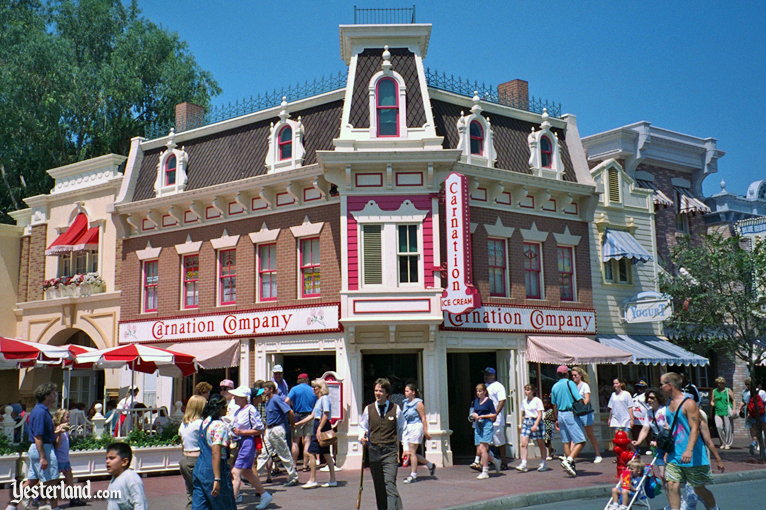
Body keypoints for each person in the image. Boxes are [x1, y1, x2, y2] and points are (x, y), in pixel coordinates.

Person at [660, 372, 720, 510]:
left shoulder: (689, 403)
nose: (661, 387)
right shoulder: (668, 404)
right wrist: (666, 450)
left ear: (670, 385)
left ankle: (714, 508)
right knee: (672, 485)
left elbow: (695, 429)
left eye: (662, 384)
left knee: (698, 489)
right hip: (674, 453)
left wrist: (689, 449)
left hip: (692, 454)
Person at [6, 383, 61, 510]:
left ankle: (12, 505)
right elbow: (38, 436)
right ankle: (54, 507)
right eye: (53, 393)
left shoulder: (40, 410)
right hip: (43, 448)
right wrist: (43, 456)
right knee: (51, 480)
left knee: (32, 481)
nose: (55, 395)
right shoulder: (41, 412)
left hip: (39, 448)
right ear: (47, 395)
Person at [359, 377, 404, 510]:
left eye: (381, 391)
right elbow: (363, 426)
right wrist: (362, 437)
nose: (377, 393)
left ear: (387, 393)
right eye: (376, 390)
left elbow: (402, 429)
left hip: (390, 452)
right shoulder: (369, 409)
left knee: (390, 484)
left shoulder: (396, 409)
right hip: (374, 451)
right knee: (379, 486)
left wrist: (405, 448)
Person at [230, 386, 272, 509]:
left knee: (235, 472)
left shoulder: (251, 409)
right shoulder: (238, 411)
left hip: (247, 443)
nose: (234, 397)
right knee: (247, 472)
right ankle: (265, 495)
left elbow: (259, 429)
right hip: (240, 442)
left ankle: (230, 503)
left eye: (237, 396)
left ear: (243, 398)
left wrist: (241, 432)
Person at [192, 394, 236, 510]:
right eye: (225, 406)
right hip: (213, 471)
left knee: (200, 506)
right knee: (224, 505)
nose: (227, 408)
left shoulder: (205, 422)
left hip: (200, 469)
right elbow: (216, 452)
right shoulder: (220, 426)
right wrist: (217, 478)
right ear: (220, 408)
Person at [256, 381, 299, 486]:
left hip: (277, 429)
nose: (263, 392)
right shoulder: (267, 401)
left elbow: (290, 412)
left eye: (265, 389)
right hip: (269, 430)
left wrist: (292, 424)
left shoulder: (276, 399)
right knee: (264, 453)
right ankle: (254, 475)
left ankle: (293, 477)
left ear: (271, 389)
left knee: (284, 454)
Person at [550, 365, 586, 477]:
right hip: (570, 413)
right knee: (581, 441)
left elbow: (554, 404)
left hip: (560, 414)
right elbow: (579, 398)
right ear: (567, 374)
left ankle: (571, 466)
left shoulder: (555, 386)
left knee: (566, 441)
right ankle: (569, 460)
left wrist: (556, 418)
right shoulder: (570, 384)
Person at [302, 378, 337, 489]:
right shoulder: (319, 400)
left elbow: (325, 415)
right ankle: (332, 479)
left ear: (320, 388)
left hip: (321, 425)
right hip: (318, 424)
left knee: (311, 452)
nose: (313, 389)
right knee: (326, 453)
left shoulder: (324, 399)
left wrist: (319, 429)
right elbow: (312, 415)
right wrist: (297, 423)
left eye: (315, 387)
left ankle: (313, 479)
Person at [400, 383, 435, 483]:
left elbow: (423, 417)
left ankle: (413, 475)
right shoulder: (405, 403)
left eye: (407, 391)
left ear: (413, 392)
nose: (405, 393)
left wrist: (426, 431)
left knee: (411, 452)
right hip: (407, 427)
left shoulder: (418, 403)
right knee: (411, 452)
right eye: (405, 391)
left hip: (416, 427)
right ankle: (430, 465)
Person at [53, 409, 86, 507]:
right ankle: (38, 497)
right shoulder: (58, 429)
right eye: (66, 417)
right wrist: (59, 432)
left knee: (69, 478)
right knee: (52, 481)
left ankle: (73, 498)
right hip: (58, 459)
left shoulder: (66, 429)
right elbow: (57, 445)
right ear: (61, 418)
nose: (68, 419)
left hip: (64, 458)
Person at [178, 395, 206, 510]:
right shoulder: (200, 423)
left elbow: (183, 442)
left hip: (185, 458)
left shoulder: (184, 423)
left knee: (191, 492)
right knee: (202, 492)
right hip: (197, 459)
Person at [571, 366, 602, 463]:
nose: (573, 377)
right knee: (574, 435)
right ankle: (570, 457)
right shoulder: (572, 386)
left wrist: (580, 403)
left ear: (580, 375)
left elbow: (587, 399)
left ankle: (598, 454)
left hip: (585, 413)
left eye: (575, 375)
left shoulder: (584, 385)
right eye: (572, 375)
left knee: (590, 434)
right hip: (576, 413)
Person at [470, 383, 501, 480]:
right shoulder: (476, 401)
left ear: (484, 392)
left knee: (483, 448)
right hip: (478, 425)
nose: (478, 393)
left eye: (480, 391)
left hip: (486, 425)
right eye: (477, 391)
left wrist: (483, 416)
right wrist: (474, 415)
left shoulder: (489, 402)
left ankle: (485, 471)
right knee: (480, 448)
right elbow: (475, 411)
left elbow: (493, 414)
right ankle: (495, 461)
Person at [288, 373, 317, 471]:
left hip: (297, 415)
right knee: (307, 440)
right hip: (309, 415)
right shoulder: (312, 390)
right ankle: (305, 465)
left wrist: (289, 410)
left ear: (298, 380)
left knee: (295, 441)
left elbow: (286, 401)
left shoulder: (294, 389)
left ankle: (294, 465)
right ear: (307, 380)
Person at [515, 384, 547, 472]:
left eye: (528, 390)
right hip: (527, 421)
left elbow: (540, 414)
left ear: (532, 391)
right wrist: (520, 424)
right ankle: (524, 463)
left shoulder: (537, 400)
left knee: (540, 443)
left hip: (535, 420)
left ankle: (543, 462)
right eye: (525, 390)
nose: (526, 392)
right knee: (523, 443)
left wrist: (536, 425)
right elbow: (522, 413)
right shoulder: (524, 401)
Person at [106, 442, 147, 510]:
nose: (107, 461)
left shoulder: (131, 478)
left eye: (111, 458)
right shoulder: (114, 479)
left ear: (124, 462)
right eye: (106, 458)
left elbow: (140, 504)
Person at [483, 367, 509, 469]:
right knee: (485, 442)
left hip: (496, 420)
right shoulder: (484, 387)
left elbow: (502, 401)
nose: (486, 376)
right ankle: (489, 460)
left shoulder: (498, 386)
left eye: (488, 374)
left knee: (499, 442)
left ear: (493, 376)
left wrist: (495, 414)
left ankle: (503, 461)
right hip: (485, 418)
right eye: (485, 374)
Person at [739, 377, 766, 461]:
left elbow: (744, 403)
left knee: (754, 433)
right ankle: (764, 449)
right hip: (762, 414)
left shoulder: (745, 393)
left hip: (752, 415)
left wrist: (739, 409)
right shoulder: (762, 392)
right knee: (764, 431)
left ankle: (754, 443)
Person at [711, 376, 735, 450]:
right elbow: (712, 401)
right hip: (717, 411)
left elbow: (733, 400)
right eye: (717, 383)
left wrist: (734, 409)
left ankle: (728, 443)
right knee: (719, 427)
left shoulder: (728, 390)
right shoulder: (714, 391)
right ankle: (723, 442)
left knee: (728, 428)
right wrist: (712, 404)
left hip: (726, 411)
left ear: (723, 384)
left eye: (720, 383)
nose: (719, 385)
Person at [631, 379, 650, 444]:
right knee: (635, 436)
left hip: (645, 419)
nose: (640, 389)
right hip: (636, 420)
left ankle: (650, 449)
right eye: (638, 387)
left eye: (642, 388)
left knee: (648, 436)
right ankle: (637, 450)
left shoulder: (647, 396)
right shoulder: (634, 395)